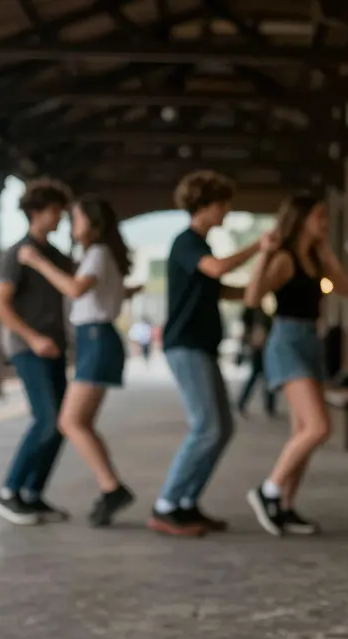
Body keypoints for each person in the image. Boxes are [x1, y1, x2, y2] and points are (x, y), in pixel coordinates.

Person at [150, 170, 277, 538]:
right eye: (223, 204)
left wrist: (267, 281)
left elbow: (227, 291)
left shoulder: (200, 247)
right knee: (207, 427)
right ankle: (166, 504)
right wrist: (260, 247)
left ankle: (186, 502)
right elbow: (218, 269)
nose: (226, 211)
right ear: (204, 206)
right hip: (185, 346)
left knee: (221, 428)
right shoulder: (187, 242)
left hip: (201, 347)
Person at [18, 196, 138, 528]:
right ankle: (110, 487)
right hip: (95, 340)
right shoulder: (98, 255)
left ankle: (112, 487)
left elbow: (75, 289)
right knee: (78, 422)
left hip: (97, 340)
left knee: (70, 422)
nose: (72, 225)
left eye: (77, 219)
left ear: (93, 223)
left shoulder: (98, 253)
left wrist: (37, 261)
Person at [244, 194, 348, 536]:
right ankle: (268, 491)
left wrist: (325, 251)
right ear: (302, 218)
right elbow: (252, 297)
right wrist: (264, 255)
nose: (324, 221)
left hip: (310, 343)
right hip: (287, 342)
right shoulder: (286, 259)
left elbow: (347, 289)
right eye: (319, 215)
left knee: (300, 432)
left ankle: (286, 507)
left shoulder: (314, 258)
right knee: (319, 428)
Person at [0, 178, 76, 526]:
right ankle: (9, 491)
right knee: (46, 418)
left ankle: (32, 494)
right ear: (36, 212)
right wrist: (33, 337)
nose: (60, 218)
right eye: (55, 211)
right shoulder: (17, 254)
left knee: (62, 422)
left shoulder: (54, 254)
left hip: (54, 347)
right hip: (28, 348)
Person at [235, 303, 276, 418]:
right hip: (257, 349)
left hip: (263, 348)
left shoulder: (263, 316)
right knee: (260, 377)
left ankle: (268, 405)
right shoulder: (251, 313)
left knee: (264, 377)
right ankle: (267, 405)